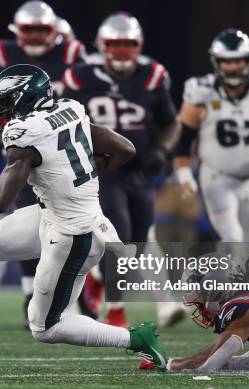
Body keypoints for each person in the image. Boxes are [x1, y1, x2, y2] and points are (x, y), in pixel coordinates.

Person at [0, 64, 166, 369]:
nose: (0, 115)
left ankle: (137, 339)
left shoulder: (25, 133)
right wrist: (82, 175)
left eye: (6, 104)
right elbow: (124, 148)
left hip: (74, 235)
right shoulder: (70, 109)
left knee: (45, 328)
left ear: (26, 98)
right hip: (56, 215)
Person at [0, 1, 85, 326]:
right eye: (29, 30)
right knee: (25, 217)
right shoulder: (3, 53)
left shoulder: (72, 54)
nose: (34, 36)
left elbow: (84, 95)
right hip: (23, 145)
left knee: (67, 219)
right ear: (17, 32)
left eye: (40, 29)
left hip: (59, 149)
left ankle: (72, 299)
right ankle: (30, 295)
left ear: (54, 31)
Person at [63, 12, 181, 327]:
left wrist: (162, 150)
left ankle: (96, 281)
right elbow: (63, 120)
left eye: (128, 44)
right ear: (101, 45)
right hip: (101, 169)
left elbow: (171, 122)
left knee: (138, 244)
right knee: (121, 237)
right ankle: (115, 311)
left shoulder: (152, 75)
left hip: (139, 171)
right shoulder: (80, 77)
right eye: (115, 44)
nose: (121, 51)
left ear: (138, 45)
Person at [174, 29, 249, 244]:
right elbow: (183, 140)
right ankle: (227, 277)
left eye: (238, 61)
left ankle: (236, 278)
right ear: (217, 62)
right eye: (227, 62)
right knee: (233, 238)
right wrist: (184, 174)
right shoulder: (201, 92)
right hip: (217, 177)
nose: (233, 68)